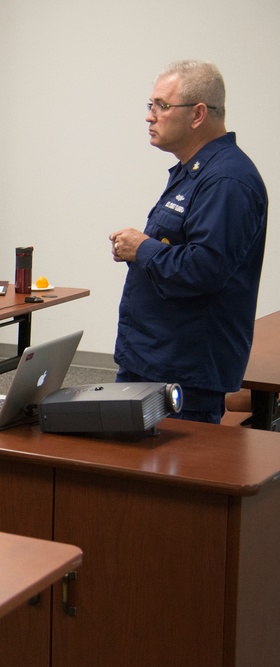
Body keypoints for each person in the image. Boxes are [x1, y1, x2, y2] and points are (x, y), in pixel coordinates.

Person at [109, 60, 267, 424]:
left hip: (182, 372)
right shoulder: (194, 171)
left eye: (162, 106)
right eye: (149, 105)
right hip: (152, 360)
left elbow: (205, 268)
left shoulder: (228, 180)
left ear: (198, 114)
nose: (150, 116)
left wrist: (143, 248)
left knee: (164, 477)